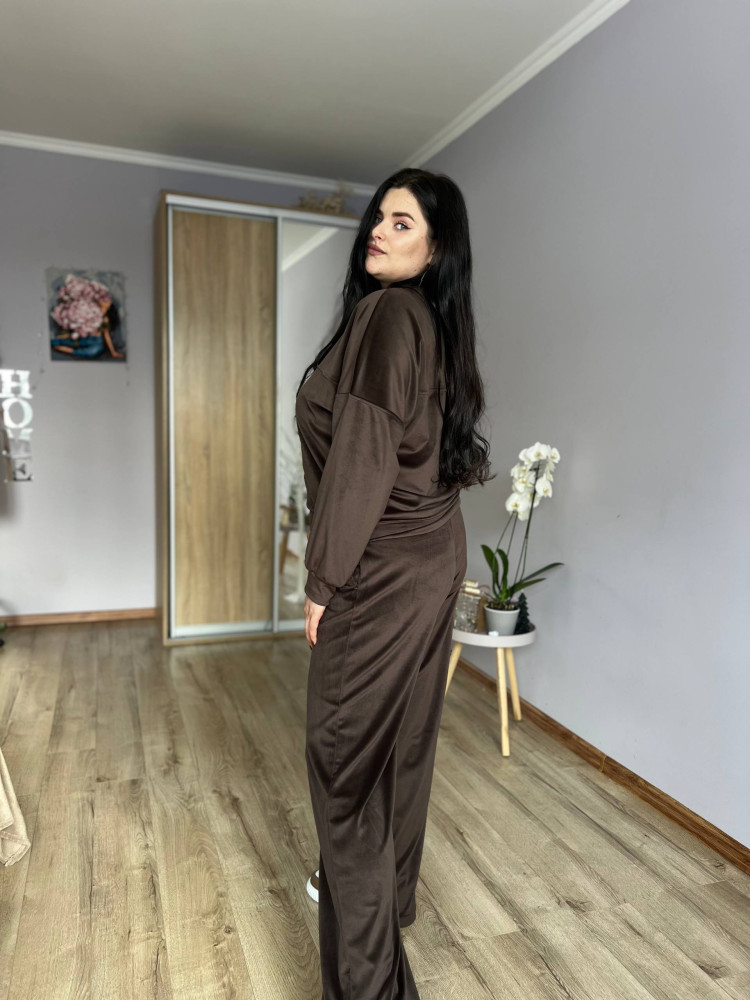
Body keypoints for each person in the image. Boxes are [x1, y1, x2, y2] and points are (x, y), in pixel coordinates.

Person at [294, 167, 493, 999]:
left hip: (379, 570)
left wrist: (323, 579)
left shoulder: (387, 315)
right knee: (402, 751)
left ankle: (371, 982)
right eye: (380, 216)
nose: (378, 228)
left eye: (402, 222)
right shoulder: (433, 324)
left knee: (344, 768)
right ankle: (388, 901)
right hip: (433, 558)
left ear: (435, 248)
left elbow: (365, 455)